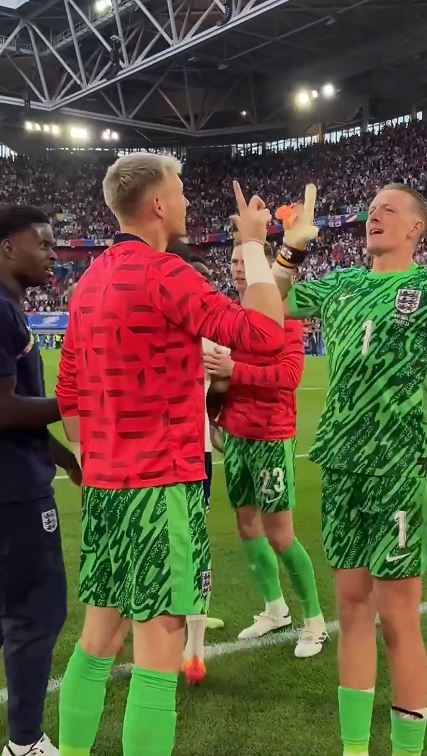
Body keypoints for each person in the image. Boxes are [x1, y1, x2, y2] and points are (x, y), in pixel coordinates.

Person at [55, 154, 285, 756]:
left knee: (98, 637)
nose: (186, 201)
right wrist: (256, 246)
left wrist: (95, 456)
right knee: (159, 647)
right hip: (162, 487)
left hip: (105, 488)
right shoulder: (166, 274)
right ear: (157, 204)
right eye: (180, 191)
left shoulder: (89, 282)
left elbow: (69, 390)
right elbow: (265, 332)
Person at [272, 183, 427, 755]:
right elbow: (270, 304)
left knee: (397, 619)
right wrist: (288, 248)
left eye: (388, 210)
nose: (374, 217)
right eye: (369, 210)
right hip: (341, 466)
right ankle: (353, 749)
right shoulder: (342, 284)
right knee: (350, 609)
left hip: (398, 467)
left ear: (417, 227)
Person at [204, 242, 328, 658]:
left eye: (247, 261)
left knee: (280, 533)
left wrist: (233, 371)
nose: (240, 269)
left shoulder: (283, 312)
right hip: (236, 436)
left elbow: (291, 375)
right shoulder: (229, 316)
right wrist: (216, 406)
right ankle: (275, 609)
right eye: (235, 261)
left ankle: (314, 622)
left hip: (272, 436)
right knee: (246, 525)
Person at [0, 205, 81, 756]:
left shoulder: (11, 309)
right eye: (44, 244)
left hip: (16, 478)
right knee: (37, 611)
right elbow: (3, 410)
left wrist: (67, 459)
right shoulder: (0, 312)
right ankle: (26, 743)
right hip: (13, 496)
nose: (54, 255)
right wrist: (78, 401)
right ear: (9, 247)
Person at [165, 241, 225, 686]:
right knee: (190, 543)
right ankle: (193, 646)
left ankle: (187, 641)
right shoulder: (207, 331)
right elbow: (220, 383)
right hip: (192, 450)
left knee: (173, 546)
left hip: (169, 452)